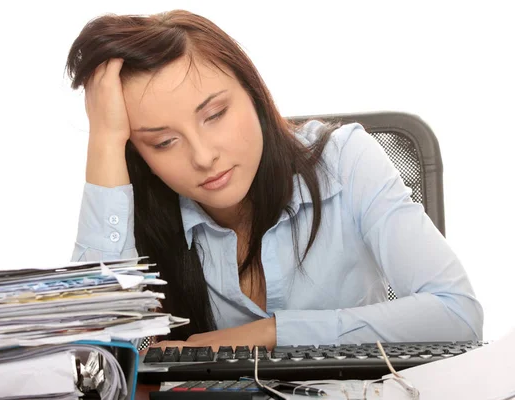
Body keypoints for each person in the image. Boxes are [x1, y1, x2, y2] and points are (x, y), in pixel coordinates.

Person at [66, 9, 483, 350]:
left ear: (253, 93)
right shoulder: (141, 204)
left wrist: (269, 334)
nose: (203, 156)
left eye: (214, 115)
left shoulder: (346, 160)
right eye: (163, 142)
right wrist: (103, 142)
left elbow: (457, 313)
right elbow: (95, 358)